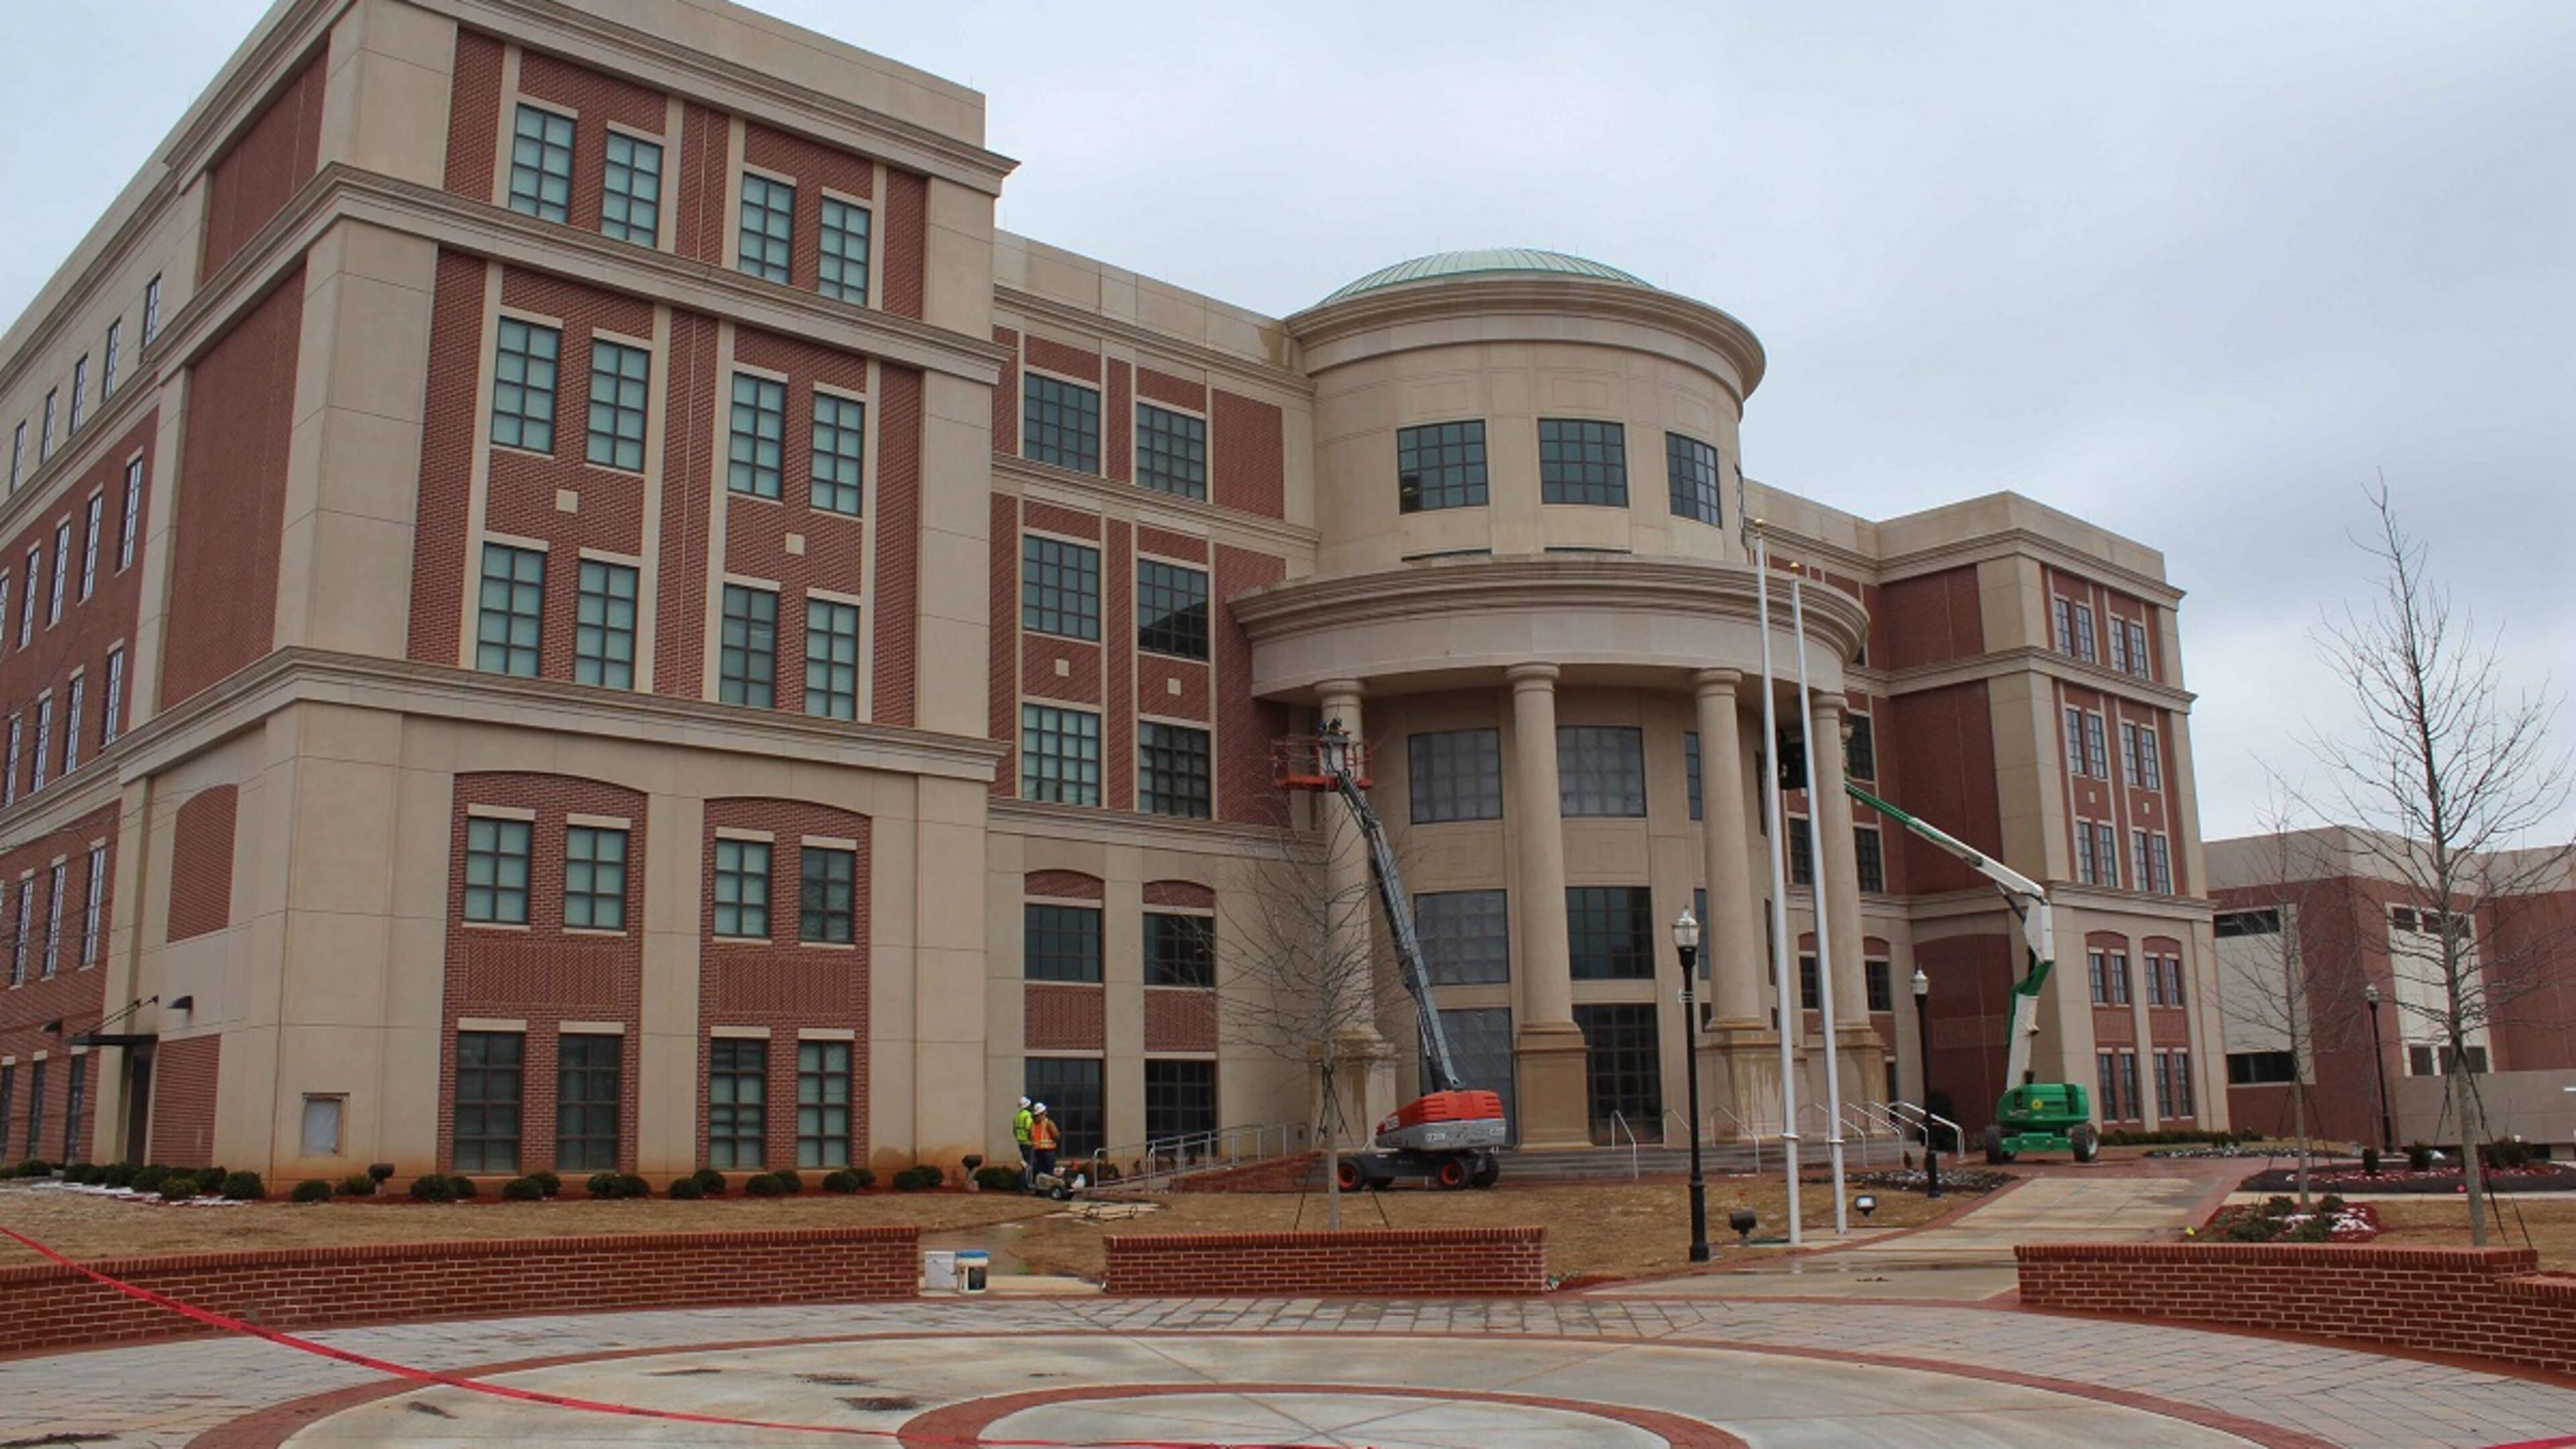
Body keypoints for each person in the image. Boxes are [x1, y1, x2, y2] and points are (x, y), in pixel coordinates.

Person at [1028, 1102, 1061, 1193]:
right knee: (1049, 1173)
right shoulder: (1048, 1123)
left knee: (1040, 1172)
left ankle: (1041, 1190)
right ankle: (1049, 1191)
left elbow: (1030, 1136)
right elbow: (1056, 1136)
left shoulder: (1033, 1125)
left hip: (1038, 1151)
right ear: (1043, 1113)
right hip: (1049, 1151)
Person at [1011, 1096, 1035, 1189]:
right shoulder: (1028, 1116)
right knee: (1028, 1166)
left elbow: (1014, 1130)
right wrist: (1033, 1140)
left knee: (1025, 1164)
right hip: (1028, 1143)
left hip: (1021, 1143)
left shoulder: (1017, 1116)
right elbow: (1030, 1129)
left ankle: (1021, 1185)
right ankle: (1024, 1185)